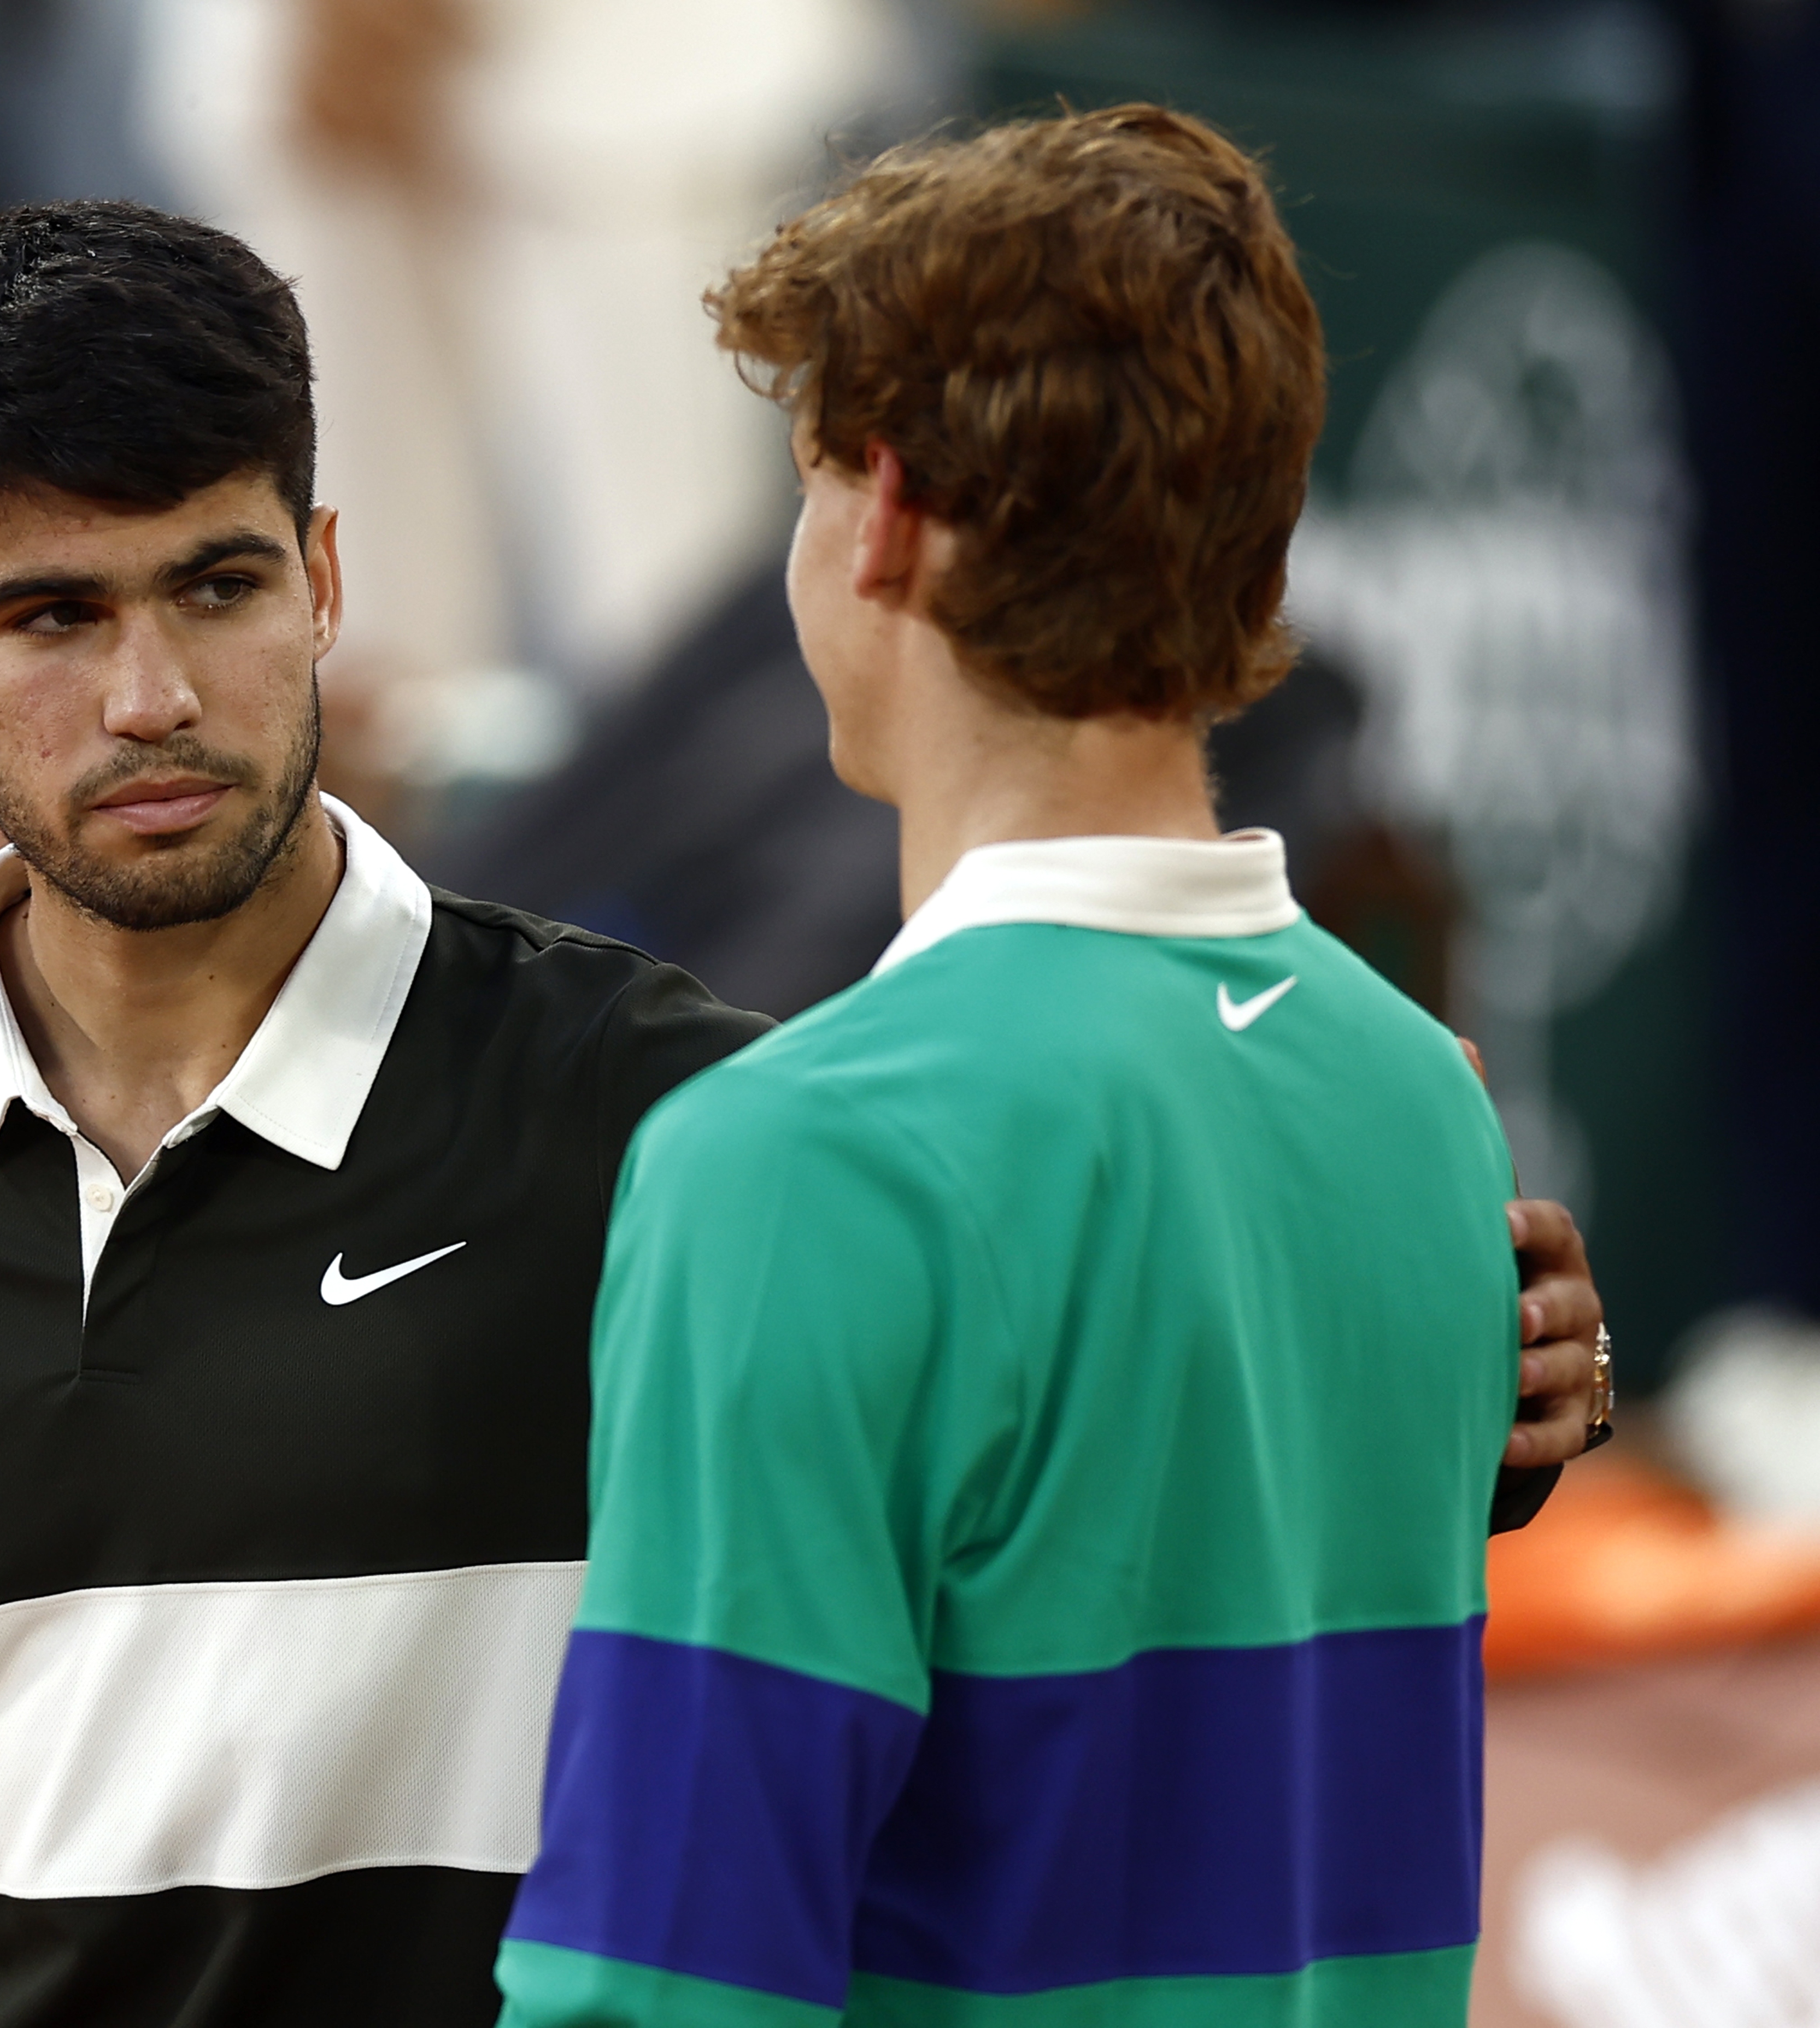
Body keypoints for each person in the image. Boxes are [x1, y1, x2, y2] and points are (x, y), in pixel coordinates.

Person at [0, 199, 1603, 2028]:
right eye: (51, 616)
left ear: (321, 576)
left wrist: (1465, 1391)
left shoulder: (676, 1116)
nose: (146, 697)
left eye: (213, 587)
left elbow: (1079, 1415)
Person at [497, 107, 1543, 2028]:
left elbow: (663, 1988)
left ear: (885, 514)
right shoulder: (1429, 1109)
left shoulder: (794, 1164)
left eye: (803, 483)